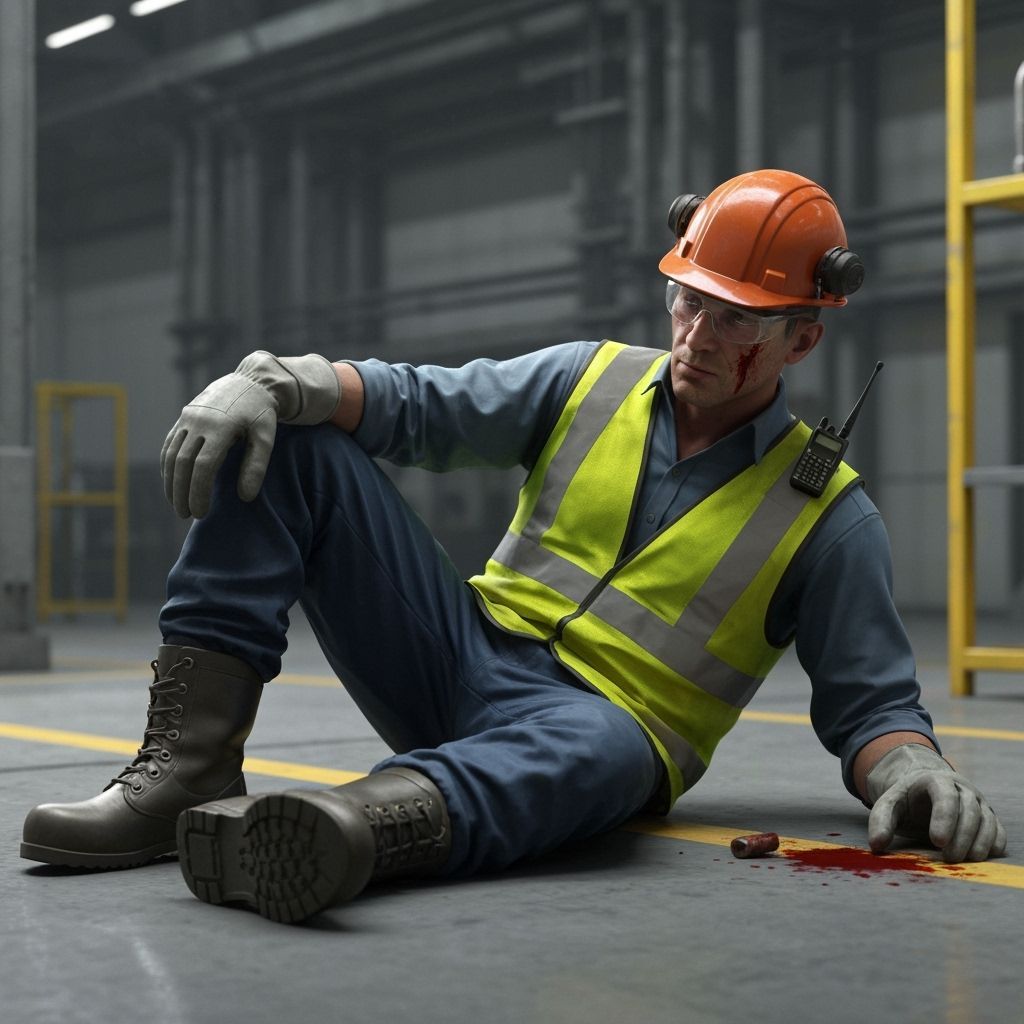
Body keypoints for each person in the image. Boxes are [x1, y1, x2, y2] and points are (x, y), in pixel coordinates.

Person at [22, 169, 1006, 925]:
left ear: (802, 339)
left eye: (736, 320)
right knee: (296, 445)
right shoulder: (589, 381)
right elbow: (419, 405)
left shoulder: (828, 517)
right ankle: (186, 775)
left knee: (620, 752)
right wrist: (279, 382)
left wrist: (909, 766)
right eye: (686, 301)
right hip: (455, 653)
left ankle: (352, 829)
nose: (697, 334)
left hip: (592, 728)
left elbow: (871, 701)